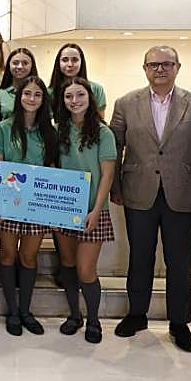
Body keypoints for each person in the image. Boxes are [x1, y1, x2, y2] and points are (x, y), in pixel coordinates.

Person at [109, 46, 191, 353]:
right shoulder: (125, 103)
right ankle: (137, 314)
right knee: (139, 257)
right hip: (137, 192)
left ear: (178, 67)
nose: (160, 69)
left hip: (184, 194)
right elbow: (113, 149)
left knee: (180, 262)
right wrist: (115, 186)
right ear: (144, 68)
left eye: (166, 64)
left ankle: (179, 322)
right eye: (154, 64)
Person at [54, 76, 118, 345]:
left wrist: (96, 209)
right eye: (69, 96)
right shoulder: (59, 130)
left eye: (80, 95)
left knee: (86, 270)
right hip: (64, 208)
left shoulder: (104, 133)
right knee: (67, 265)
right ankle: (74, 315)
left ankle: (93, 319)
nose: (74, 101)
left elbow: (107, 175)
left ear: (89, 98)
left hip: (93, 210)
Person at [0, 75, 60, 335]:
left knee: (29, 257)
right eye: (27, 94)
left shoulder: (50, 132)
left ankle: (25, 310)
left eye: (37, 95)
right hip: (9, 203)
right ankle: (12, 311)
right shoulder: (3, 128)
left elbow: (53, 170)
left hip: (36, 206)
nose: (31, 99)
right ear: (19, 97)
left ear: (43, 100)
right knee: (8, 255)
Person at [49, 42, 107, 119]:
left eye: (75, 60)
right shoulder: (49, 92)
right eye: (65, 60)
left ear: (81, 62)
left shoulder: (96, 89)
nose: (70, 64)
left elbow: (100, 120)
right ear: (58, 63)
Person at [0, 47, 36, 124]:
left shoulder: (40, 93)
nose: (20, 67)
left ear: (32, 66)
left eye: (25, 63)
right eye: (15, 63)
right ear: (9, 65)